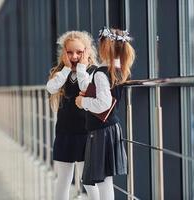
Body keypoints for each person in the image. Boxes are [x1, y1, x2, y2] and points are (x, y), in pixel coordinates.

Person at [75, 27, 135, 200]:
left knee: (102, 181)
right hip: (109, 128)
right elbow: (88, 87)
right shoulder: (116, 68)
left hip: (101, 130)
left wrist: (82, 102)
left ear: (105, 47)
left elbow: (103, 103)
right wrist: (82, 67)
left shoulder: (102, 72)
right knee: (104, 180)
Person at [46, 31, 100, 200]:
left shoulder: (93, 71)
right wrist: (67, 68)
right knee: (63, 179)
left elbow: (86, 89)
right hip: (64, 132)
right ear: (64, 53)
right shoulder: (62, 72)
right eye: (69, 52)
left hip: (86, 133)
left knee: (89, 181)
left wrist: (82, 67)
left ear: (88, 51)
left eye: (79, 52)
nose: (75, 56)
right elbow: (51, 88)